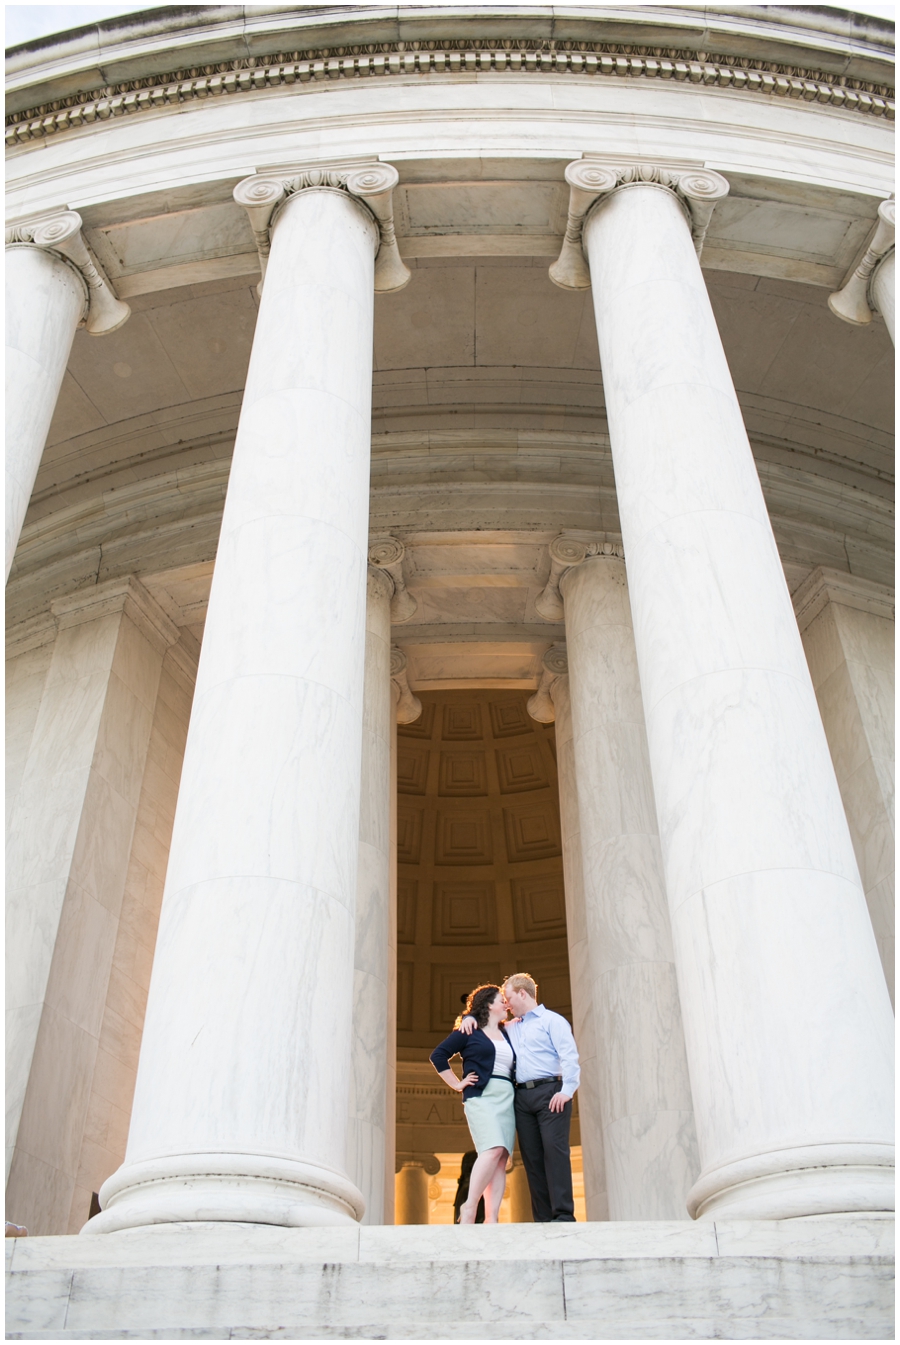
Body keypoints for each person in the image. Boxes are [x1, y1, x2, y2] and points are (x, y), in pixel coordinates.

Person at [460, 973, 579, 1222]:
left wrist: (566, 1091)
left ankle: (563, 1215)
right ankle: (543, 1217)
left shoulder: (552, 1021)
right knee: (532, 1159)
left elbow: (569, 1057)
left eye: (509, 997)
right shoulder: (510, 1027)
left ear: (522, 993)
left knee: (554, 1152)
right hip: (521, 1097)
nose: (506, 1003)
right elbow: (487, 1021)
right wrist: (470, 1016)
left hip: (551, 1093)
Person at [429, 983, 517, 1223]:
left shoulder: (508, 1031)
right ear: (489, 1004)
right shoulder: (470, 1030)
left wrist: (467, 1015)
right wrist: (456, 1083)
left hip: (506, 1096)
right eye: (502, 1000)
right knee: (492, 1150)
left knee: (501, 1158)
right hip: (481, 1096)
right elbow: (438, 1055)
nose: (506, 1004)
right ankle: (469, 1207)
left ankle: (492, 1218)